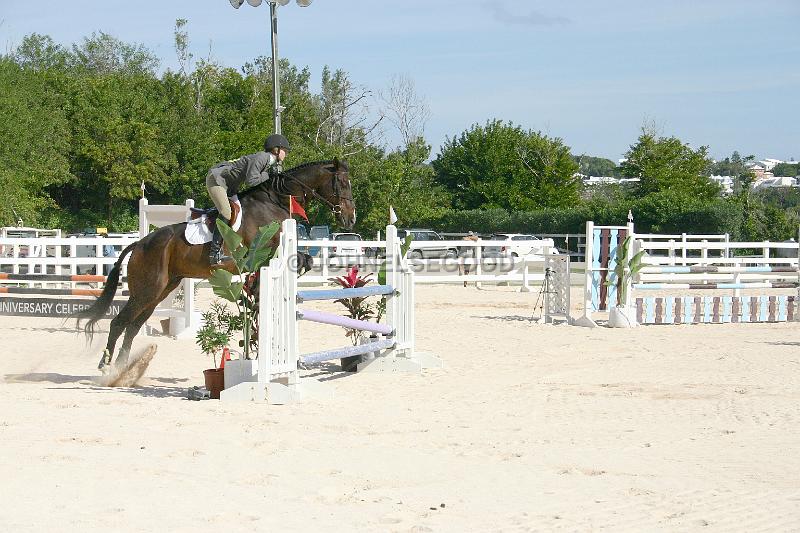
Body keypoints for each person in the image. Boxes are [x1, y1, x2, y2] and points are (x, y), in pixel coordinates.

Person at [206, 133, 291, 264]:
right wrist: (269, 176)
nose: (286, 153)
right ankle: (214, 253)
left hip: (229, 186)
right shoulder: (263, 158)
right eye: (284, 150)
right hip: (217, 180)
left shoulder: (267, 161)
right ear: (276, 149)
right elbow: (252, 181)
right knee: (226, 213)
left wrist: (268, 175)